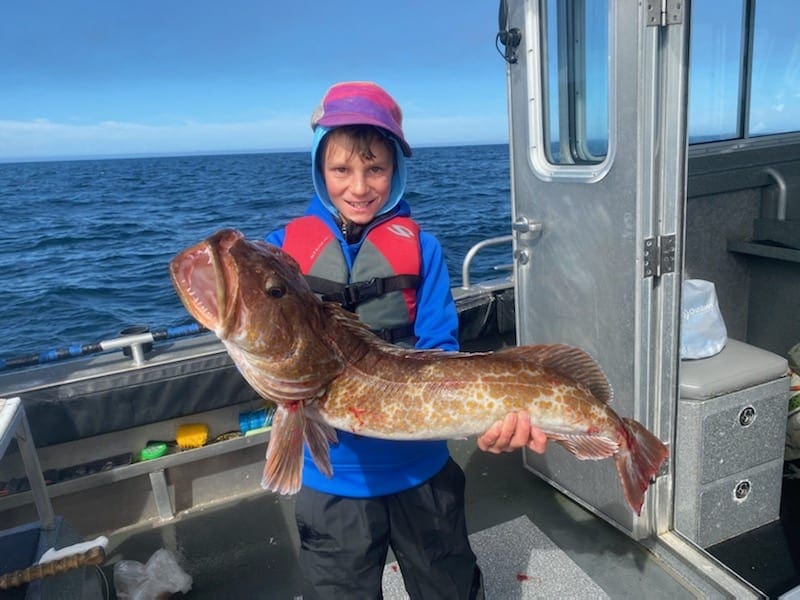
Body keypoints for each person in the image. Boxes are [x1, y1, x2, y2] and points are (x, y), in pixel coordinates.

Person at [266, 81, 547, 600]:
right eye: (341, 170)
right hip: (332, 482)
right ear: (318, 170)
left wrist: (482, 421)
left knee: (449, 587)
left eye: (375, 168)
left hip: (423, 472)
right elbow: (268, 342)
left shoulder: (426, 250)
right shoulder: (283, 257)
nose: (359, 186)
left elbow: (439, 348)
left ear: (395, 170)